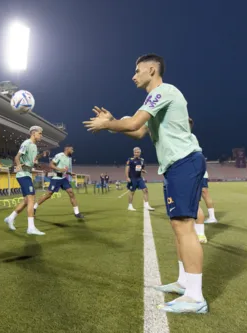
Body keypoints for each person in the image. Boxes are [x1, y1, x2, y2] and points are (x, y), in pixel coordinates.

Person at [84, 54, 208, 313]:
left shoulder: (162, 91)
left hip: (184, 162)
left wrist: (109, 123)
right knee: (178, 225)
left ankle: (196, 297)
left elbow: (133, 123)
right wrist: (111, 125)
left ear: (152, 70)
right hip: (175, 165)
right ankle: (185, 282)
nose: (133, 75)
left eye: (137, 70)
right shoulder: (157, 97)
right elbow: (139, 132)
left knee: (185, 225)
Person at [4, 126, 47, 235]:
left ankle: (10, 218)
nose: (41, 135)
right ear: (34, 133)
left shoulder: (34, 146)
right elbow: (17, 157)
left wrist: (37, 163)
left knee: (27, 200)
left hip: (27, 174)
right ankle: (31, 228)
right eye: (40, 133)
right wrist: (18, 165)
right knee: (32, 198)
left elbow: (32, 161)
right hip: (23, 174)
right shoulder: (26, 143)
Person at [33, 145, 83, 218]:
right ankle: (34, 207)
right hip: (56, 177)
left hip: (63, 178)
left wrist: (69, 173)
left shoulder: (69, 159)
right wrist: (60, 169)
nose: (73, 151)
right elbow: (51, 165)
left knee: (71, 193)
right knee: (48, 194)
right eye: (72, 149)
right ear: (67, 149)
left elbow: (65, 170)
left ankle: (77, 213)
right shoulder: (59, 155)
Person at [189, 118, 218, 224]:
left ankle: (209, 217)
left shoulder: (189, 137)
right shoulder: (190, 137)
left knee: (202, 193)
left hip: (196, 170)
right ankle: (208, 216)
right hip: (196, 169)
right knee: (201, 193)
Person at [125, 147, 155, 211]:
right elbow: (127, 169)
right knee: (132, 192)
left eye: (138, 152)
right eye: (135, 152)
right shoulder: (130, 159)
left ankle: (147, 205)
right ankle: (130, 206)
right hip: (132, 178)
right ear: (133, 153)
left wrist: (143, 170)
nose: (136, 153)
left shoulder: (142, 160)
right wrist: (127, 177)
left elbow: (142, 168)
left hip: (139, 178)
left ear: (140, 153)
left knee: (145, 190)